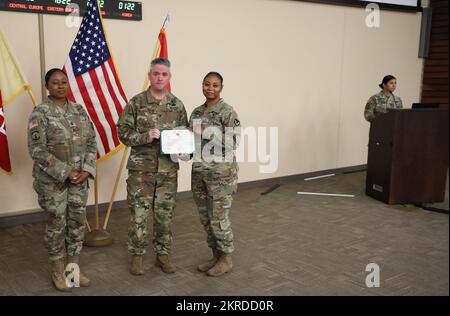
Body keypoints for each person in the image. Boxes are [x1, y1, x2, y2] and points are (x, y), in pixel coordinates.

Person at [117, 58, 188, 275]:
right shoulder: (136, 103)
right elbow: (123, 133)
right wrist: (144, 137)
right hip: (141, 172)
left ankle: (163, 255)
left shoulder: (177, 105)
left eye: (164, 74)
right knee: (138, 216)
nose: (159, 78)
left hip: (167, 172)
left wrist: (185, 152)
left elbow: (184, 137)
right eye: (156, 73)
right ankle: (137, 256)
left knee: (164, 216)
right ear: (149, 76)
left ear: (169, 77)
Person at [27, 68, 97, 291]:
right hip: (53, 183)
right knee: (57, 225)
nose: (60, 86)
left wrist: (87, 169)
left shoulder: (79, 110)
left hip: (79, 181)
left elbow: (92, 142)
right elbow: (36, 150)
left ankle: (72, 271)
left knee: (76, 224)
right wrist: (66, 172)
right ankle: (58, 271)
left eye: (64, 82)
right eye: (55, 82)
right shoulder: (40, 113)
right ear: (47, 86)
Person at [189, 72, 240, 277]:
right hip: (199, 173)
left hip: (221, 176)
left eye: (215, 85)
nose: (210, 88)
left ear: (221, 88)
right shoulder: (196, 113)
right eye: (207, 84)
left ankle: (227, 259)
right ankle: (215, 256)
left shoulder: (227, 112)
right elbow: (192, 142)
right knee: (205, 218)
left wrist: (207, 132)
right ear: (202, 85)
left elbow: (233, 143)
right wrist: (183, 149)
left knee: (218, 218)